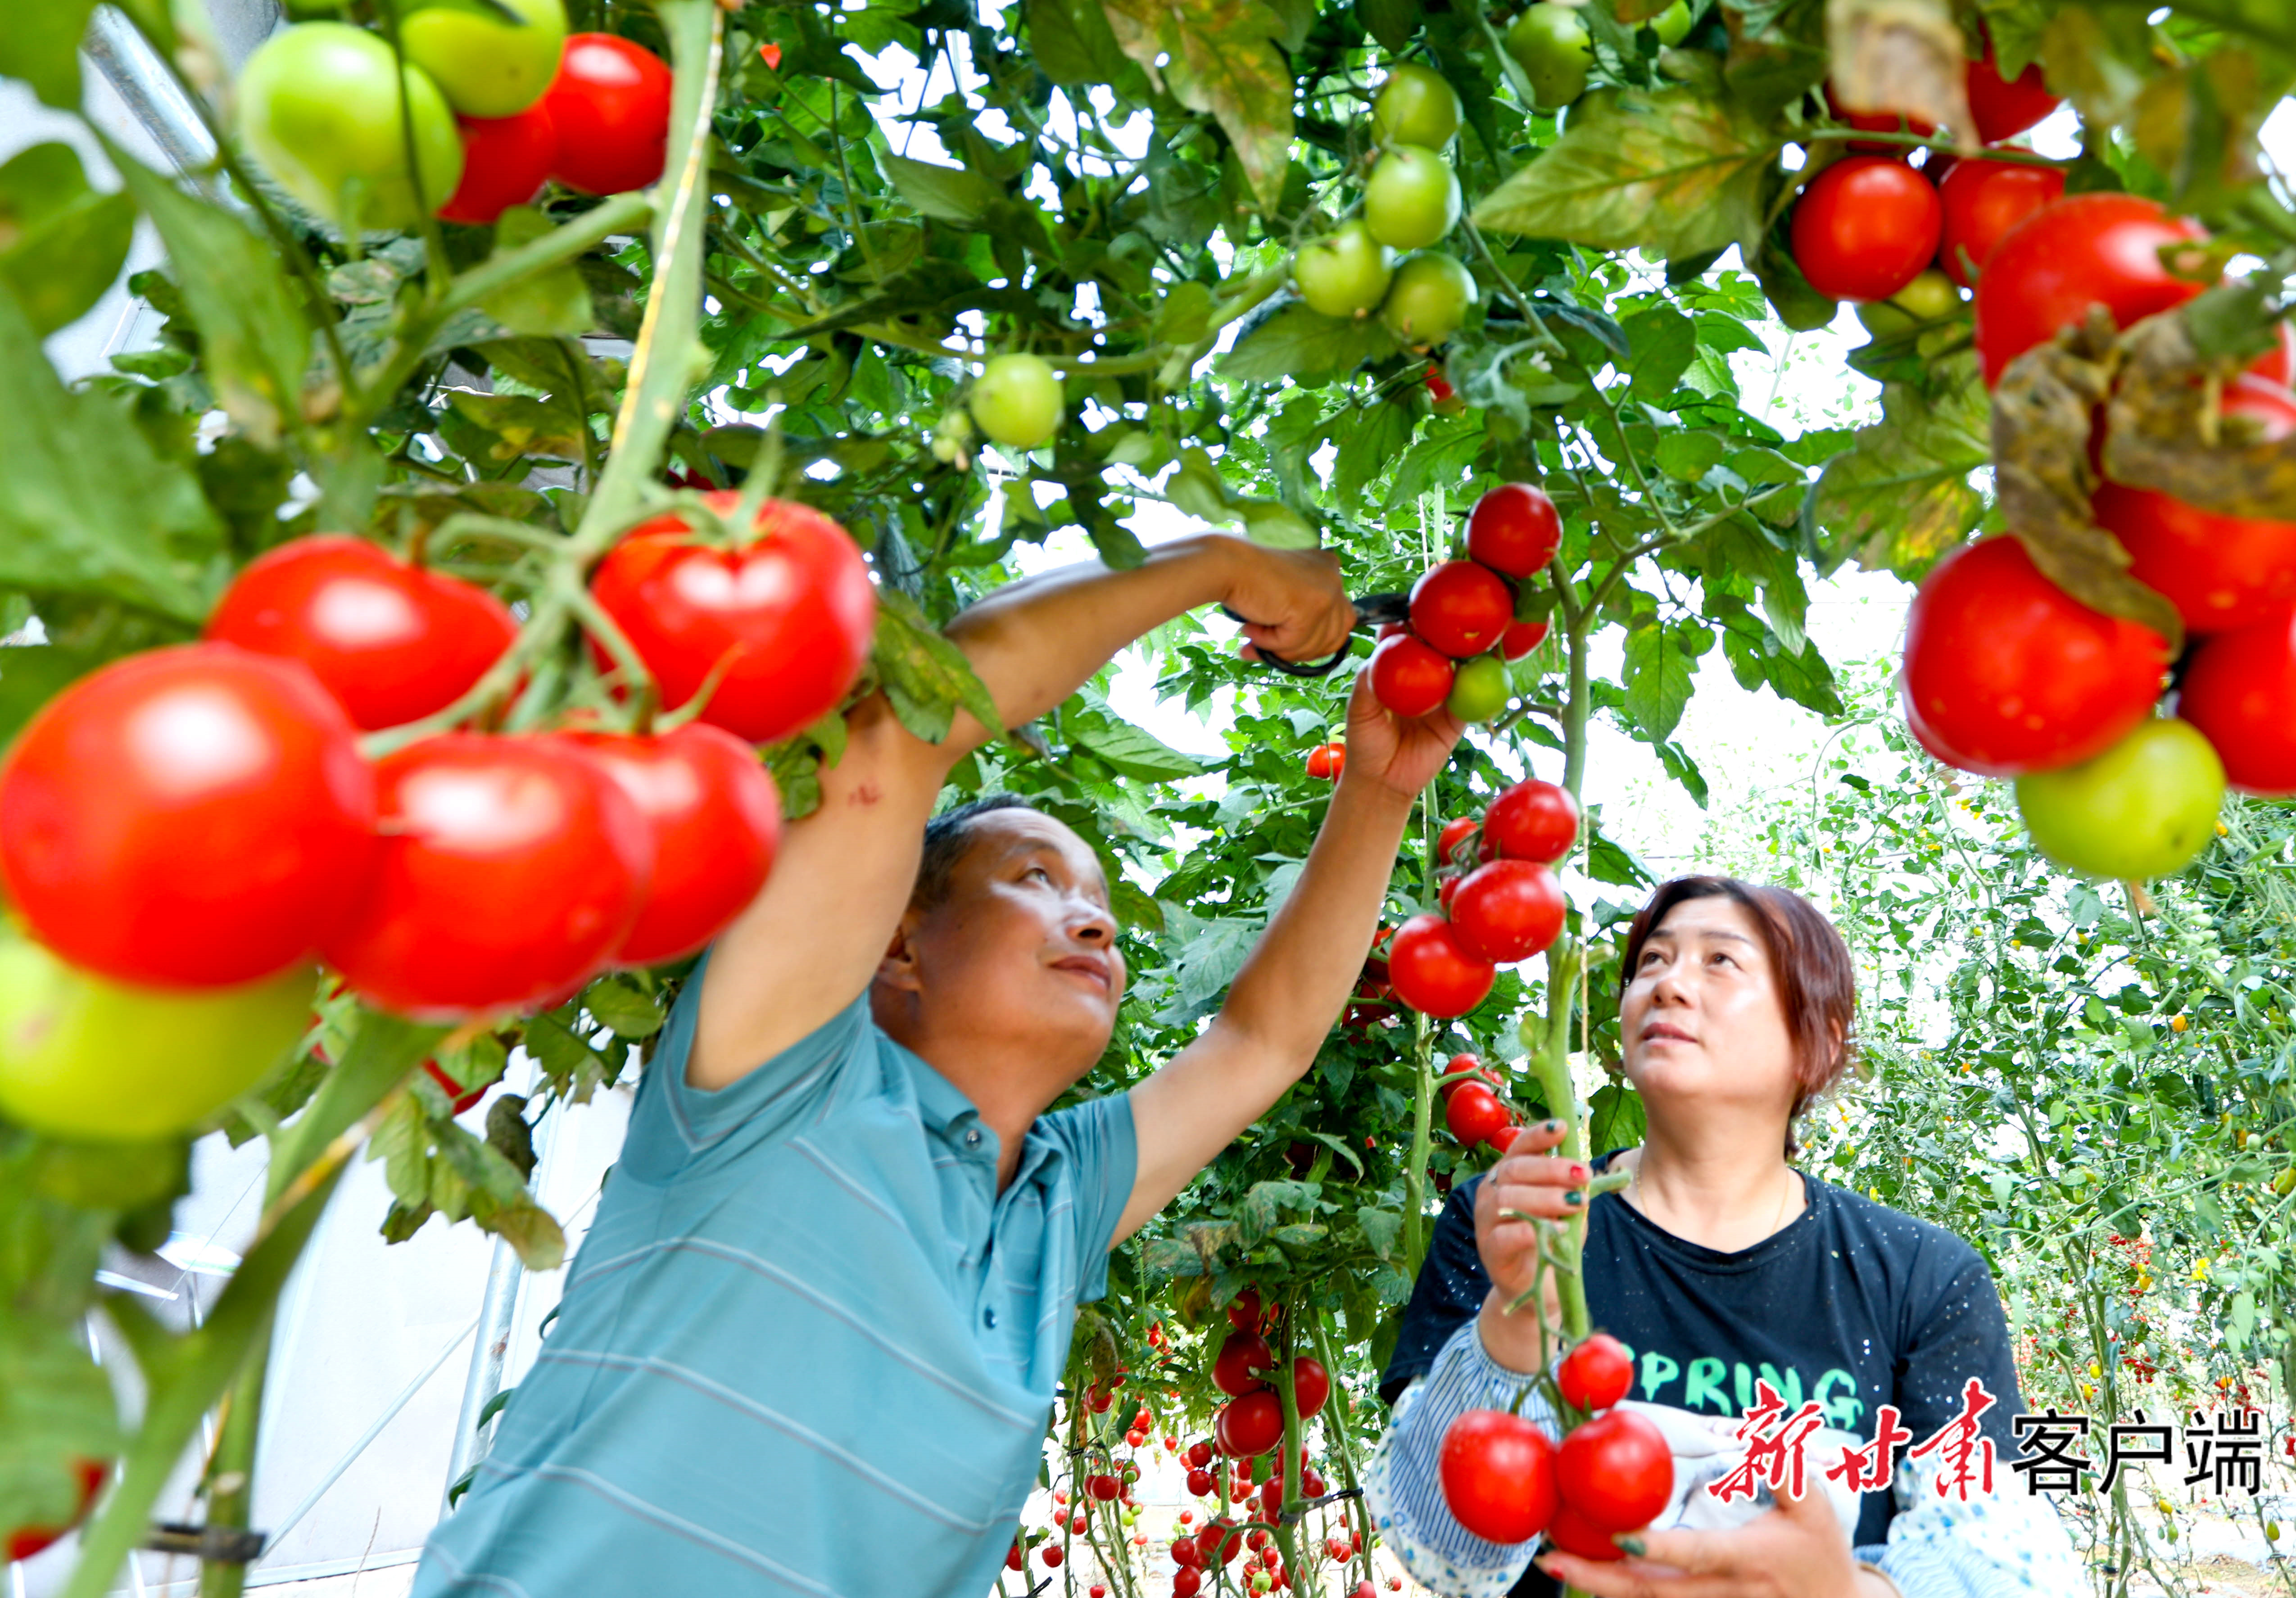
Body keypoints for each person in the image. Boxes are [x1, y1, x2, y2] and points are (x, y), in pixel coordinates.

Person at [412, 533, 1463, 1596]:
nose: (1094, 921)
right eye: (1036, 876)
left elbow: (1263, 1040)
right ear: (899, 941)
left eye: (1096, 900)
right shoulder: (780, 1078)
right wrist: (1219, 565)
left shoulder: (1060, 1204)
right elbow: (902, 738)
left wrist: (1377, 788)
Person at [1364, 876, 2083, 1598]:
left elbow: (2004, 1563)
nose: (1668, 984)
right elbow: (1441, 1553)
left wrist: (1846, 1591)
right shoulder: (1517, 1226)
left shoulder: (1922, 1278)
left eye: (1720, 961)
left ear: (1819, 1046)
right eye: (1652, 961)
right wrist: (1516, 1316)